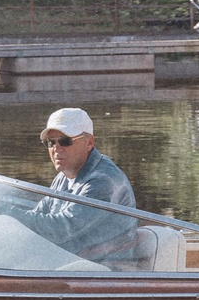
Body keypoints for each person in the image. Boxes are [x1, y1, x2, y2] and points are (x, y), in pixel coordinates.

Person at [31, 106, 139, 258]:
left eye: (65, 141)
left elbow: (63, 228)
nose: (56, 148)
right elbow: (39, 213)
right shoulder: (63, 176)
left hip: (104, 268)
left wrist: (7, 211)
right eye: (50, 142)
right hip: (71, 260)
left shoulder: (103, 180)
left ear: (89, 143)